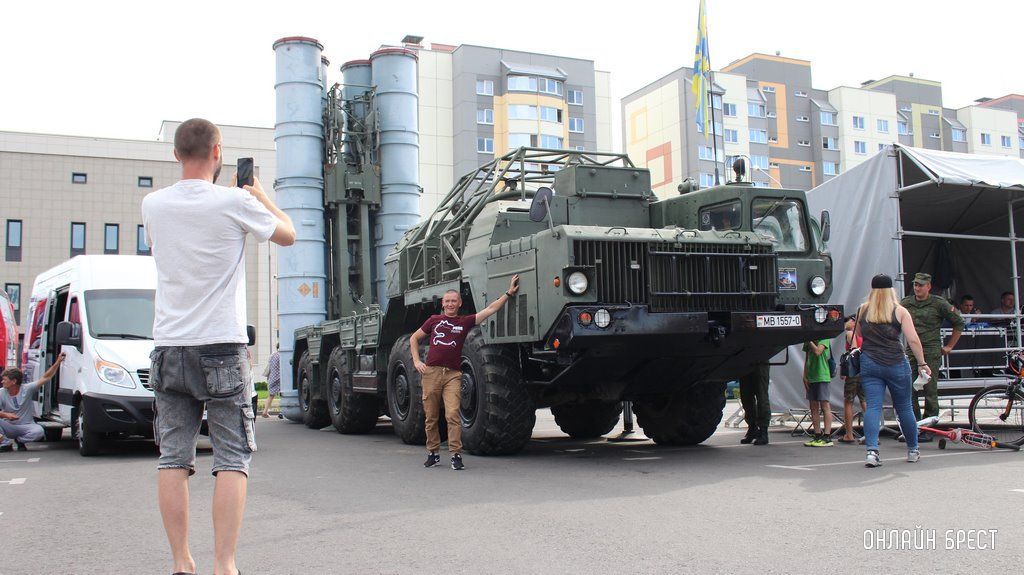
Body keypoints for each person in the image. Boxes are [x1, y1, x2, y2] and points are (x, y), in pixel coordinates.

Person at [142, 118, 296, 575]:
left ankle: (180, 562)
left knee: (173, 456)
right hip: (222, 347)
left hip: (170, 345)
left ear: (175, 154)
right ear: (218, 151)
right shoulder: (234, 201)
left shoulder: (152, 204)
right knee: (231, 457)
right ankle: (224, 564)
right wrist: (259, 195)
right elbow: (288, 235)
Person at [410, 275, 520, 471]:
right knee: (431, 416)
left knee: (452, 414)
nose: (450, 304)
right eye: (447, 302)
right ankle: (433, 453)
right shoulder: (434, 320)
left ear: (459, 303)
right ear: (442, 304)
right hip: (432, 373)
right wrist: (417, 361)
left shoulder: (465, 321)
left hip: (453, 374)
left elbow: (490, 310)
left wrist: (508, 293)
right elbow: (414, 338)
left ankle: (455, 455)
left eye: (454, 301)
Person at [855, 274, 931, 467]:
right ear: (891, 291)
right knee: (904, 407)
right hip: (896, 363)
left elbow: (858, 336)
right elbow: (912, 340)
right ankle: (913, 450)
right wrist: (922, 363)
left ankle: (872, 452)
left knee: (873, 407)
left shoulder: (862, 310)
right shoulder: (900, 311)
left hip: (870, 362)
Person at [900, 273, 963, 431]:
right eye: (915, 285)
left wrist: (949, 346)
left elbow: (959, 322)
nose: (917, 288)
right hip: (912, 351)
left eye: (921, 285)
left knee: (929, 390)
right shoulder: (906, 303)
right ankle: (914, 426)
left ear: (928, 286)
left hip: (931, 351)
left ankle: (929, 427)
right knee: (910, 389)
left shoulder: (938, 303)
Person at [0, 353, 64, 451]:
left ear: (14, 381)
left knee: (39, 432)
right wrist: (6, 415)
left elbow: (46, 377)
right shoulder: (1, 392)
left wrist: (58, 361)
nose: (2, 382)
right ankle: (5, 443)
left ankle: (20, 441)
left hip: (26, 425)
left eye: (4, 380)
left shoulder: (27, 389)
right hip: (8, 426)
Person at [802, 338, 833, 447]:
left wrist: (808, 340)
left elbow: (818, 352)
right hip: (811, 376)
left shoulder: (824, 338)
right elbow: (807, 358)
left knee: (825, 405)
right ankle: (817, 434)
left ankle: (827, 436)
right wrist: (805, 375)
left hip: (822, 375)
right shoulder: (807, 340)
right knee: (813, 407)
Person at [840, 316, 866, 444]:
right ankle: (871, 434)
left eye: (847, 321)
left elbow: (854, 350)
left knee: (848, 401)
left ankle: (849, 434)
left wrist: (846, 369)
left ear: (853, 322)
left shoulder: (851, 333)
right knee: (864, 401)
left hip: (854, 371)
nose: (845, 324)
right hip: (865, 369)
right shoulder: (864, 334)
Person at [738, 364, 771, 445]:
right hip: (745, 363)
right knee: (746, 397)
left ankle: (763, 431)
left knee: (762, 397)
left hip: (760, 361)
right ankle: (752, 428)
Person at [261, 344, 281, 418]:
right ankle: (282, 412)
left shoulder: (273, 355)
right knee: (283, 394)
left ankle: (265, 411)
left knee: (271, 395)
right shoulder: (281, 355)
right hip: (280, 377)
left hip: (271, 377)